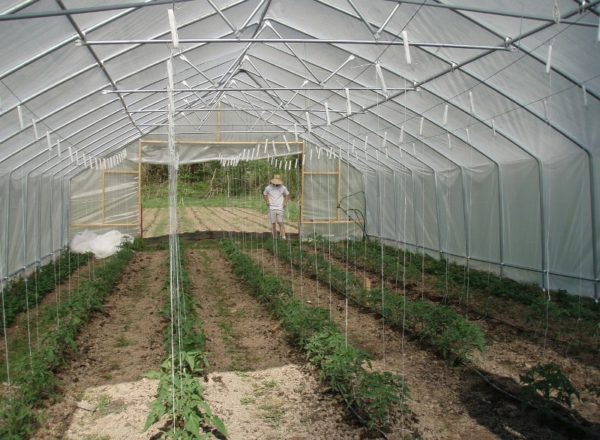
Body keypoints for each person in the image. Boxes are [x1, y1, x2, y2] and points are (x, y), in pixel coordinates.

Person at [263, 174, 290, 239]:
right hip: (271, 208)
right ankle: (274, 237)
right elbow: (264, 194)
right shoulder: (268, 188)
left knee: (280, 222)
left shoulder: (283, 187)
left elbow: (287, 195)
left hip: (280, 207)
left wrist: (285, 202)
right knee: (273, 223)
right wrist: (267, 201)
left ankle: (283, 236)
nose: (277, 184)